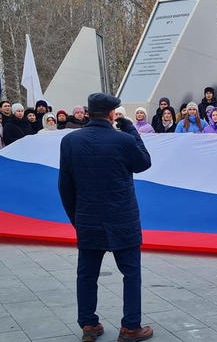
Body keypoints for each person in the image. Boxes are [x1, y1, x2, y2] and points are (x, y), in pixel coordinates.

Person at [59, 93, 154, 341]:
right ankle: (131, 327)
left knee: (87, 275)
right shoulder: (123, 140)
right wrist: (132, 131)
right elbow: (144, 162)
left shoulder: (70, 141)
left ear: (89, 113)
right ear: (112, 115)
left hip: (88, 218)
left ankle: (89, 325)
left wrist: (76, 219)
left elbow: (64, 186)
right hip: (122, 218)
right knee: (131, 273)